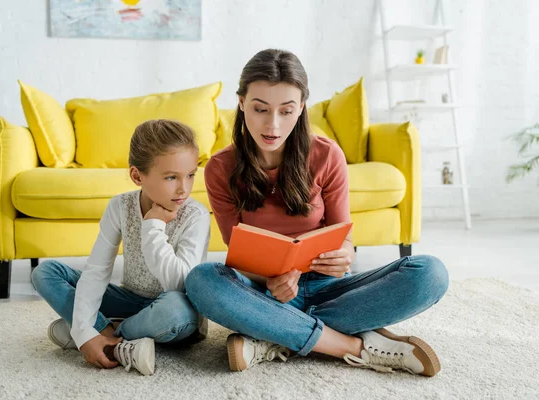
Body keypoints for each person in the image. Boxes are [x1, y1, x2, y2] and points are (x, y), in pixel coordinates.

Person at [185, 49, 449, 377]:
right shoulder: (220, 168)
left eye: (287, 110)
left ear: (302, 108)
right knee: (201, 280)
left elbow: (344, 239)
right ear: (241, 103)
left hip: (329, 288)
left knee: (430, 273)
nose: (273, 125)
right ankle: (353, 346)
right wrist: (271, 280)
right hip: (265, 292)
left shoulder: (326, 155)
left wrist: (343, 254)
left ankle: (274, 335)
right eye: (260, 109)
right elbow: (237, 255)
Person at [32, 119, 211, 375]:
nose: (184, 188)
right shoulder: (120, 207)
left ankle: (110, 332)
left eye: (191, 174)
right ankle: (103, 334)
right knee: (45, 272)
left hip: (175, 307)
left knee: (174, 311)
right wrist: (85, 333)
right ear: (137, 176)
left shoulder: (196, 215)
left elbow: (178, 285)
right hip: (131, 299)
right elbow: (96, 271)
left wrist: (153, 227)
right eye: (171, 177)